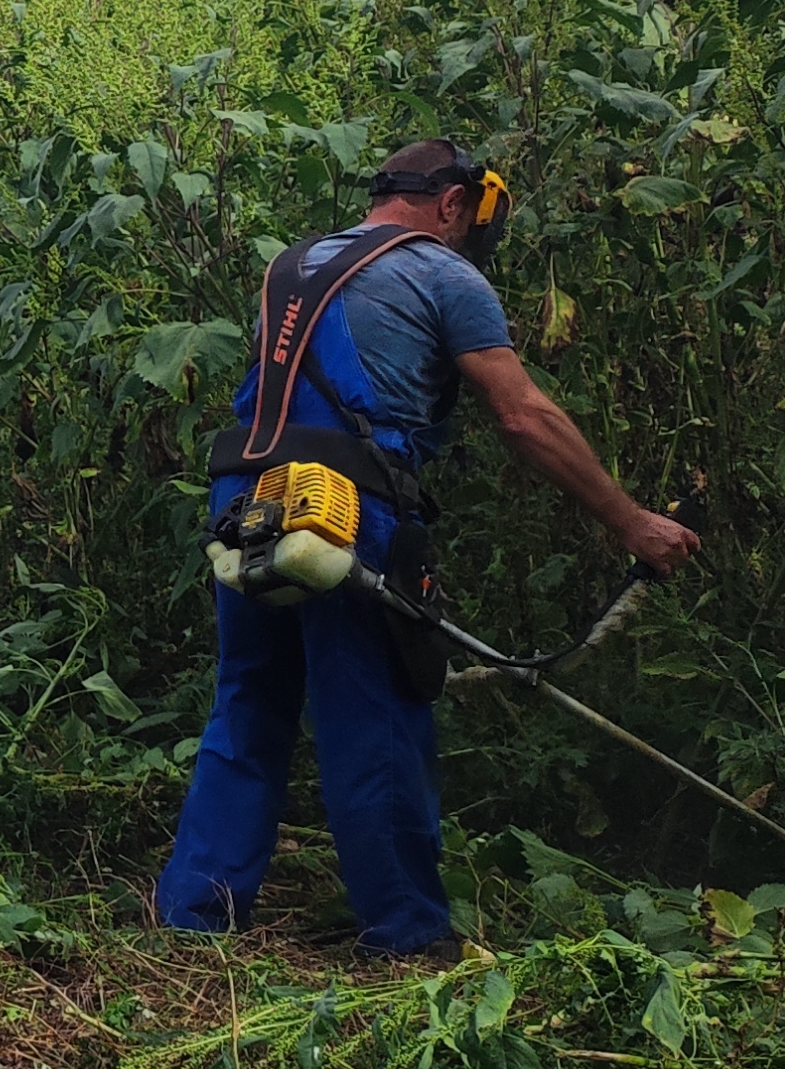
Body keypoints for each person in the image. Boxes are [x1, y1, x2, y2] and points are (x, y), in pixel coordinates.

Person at [155, 140, 699, 956]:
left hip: (246, 501)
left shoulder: (295, 263)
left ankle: (191, 921)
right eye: (474, 222)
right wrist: (631, 522)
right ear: (451, 204)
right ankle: (407, 935)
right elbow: (522, 415)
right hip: (343, 504)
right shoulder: (445, 274)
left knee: (249, 704)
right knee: (374, 713)